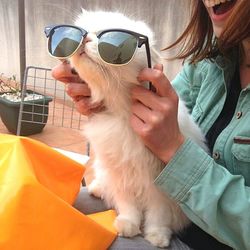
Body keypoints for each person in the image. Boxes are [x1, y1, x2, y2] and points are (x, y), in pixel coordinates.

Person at [52, 0, 250, 249]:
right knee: (51, 206)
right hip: (150, 202)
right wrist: (113, 101)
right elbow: (159, 109)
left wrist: (175, 149)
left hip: (205, 236)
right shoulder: (208, 61)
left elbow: (167, 145)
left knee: (76, 239)